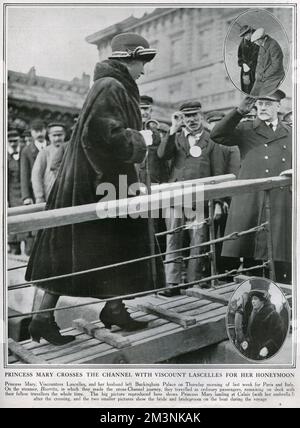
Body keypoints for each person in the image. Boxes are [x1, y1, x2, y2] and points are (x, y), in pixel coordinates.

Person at [25, 32, 165, 345]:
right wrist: (143, 140)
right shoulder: (111, 87)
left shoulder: (111, 86)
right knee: (73, 252)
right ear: (129, 59)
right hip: (98, 184)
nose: (145, 69)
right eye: (142, 61)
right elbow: (105, 137)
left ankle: (112, 309)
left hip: (101, 181)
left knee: (101, 247)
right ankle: (41, 319)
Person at [157, 101, 240, 295]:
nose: (191, 120)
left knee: (198, 241)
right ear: (182, 118)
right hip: (176, 197)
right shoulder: (176, 137)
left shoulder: (212, 138)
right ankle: (172, 283)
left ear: (201, 116)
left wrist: (218, 201)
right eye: (187, 116)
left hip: (201, 199)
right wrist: (172, 129)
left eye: (195, 115)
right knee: (173, 239)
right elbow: (162, 155)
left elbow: (218, 171)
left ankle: (194, 283)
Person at [210, 90, 292, 283]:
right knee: (252, 253)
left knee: (282, 257)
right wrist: (239, 111)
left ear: (278, 106)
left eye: (268, 104)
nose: (263, 108)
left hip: (282, 201)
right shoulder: (246, 129)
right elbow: (217, 134)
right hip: (253, 201)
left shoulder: (290, 131)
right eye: (260, 104)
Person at [20, 119, 48, 255]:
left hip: (50, 191)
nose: (39, 133)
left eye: (41, 129)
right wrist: (26, 196)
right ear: (31, 132)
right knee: (35, 226)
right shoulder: (27, 151)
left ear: (46, 130)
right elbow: (24, 176)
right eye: (36, 130)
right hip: (34, 193)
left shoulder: (52, 146)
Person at [239, 278, 285, 360]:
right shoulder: (254, 314)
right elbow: (252, 333)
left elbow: (279, 334)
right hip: (253, 351)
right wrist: (246, 341)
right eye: (252, 299)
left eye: (255, 299)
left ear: (262, 301)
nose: (253, 301)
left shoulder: (272, 314)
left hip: (265, 353)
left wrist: (267, 347)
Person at [137, 95, 169, 185]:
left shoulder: (159, 132)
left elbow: (165, 161)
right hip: (135, 184)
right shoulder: (129, 132)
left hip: (155, 182)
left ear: (151, 110)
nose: (143, 113)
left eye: (146, 109)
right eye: (140, 109)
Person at [31, 122, 67, 203]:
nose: (57, 138)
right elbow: (36, 175)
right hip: (50, 193)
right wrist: (39, 196)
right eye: (54, 135)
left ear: (64, 135)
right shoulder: (44, 152)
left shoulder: (69, 150)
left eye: (60, 135)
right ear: (49, 136)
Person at [250, 28, 285, 96]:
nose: (255, 43)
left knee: (262, 95)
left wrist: (264, 75)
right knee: (252, 94)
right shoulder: (262, 45)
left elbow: (276, 65)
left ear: (260, 39)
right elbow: (259, 62)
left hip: (274, 76)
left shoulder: (273, 45)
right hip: (263, 76)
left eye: (255, 42)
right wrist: (258, 75)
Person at [7, 130, 23, 254]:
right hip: (12, 196)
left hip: (24, 195)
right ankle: (14, 247)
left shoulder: (23, 153)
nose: (13, 143)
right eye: (10, 141)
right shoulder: (5, 156)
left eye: (15, 141)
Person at [237, 25, 259, 94]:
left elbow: (259, 56)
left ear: (251, 32)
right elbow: (240, 57)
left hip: (257, 69)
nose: (246, 37)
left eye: (247, 34)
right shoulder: (243, 42)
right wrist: (243, 64)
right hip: (246, 70)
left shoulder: (258, 40)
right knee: (247, 90)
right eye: (244, 35)